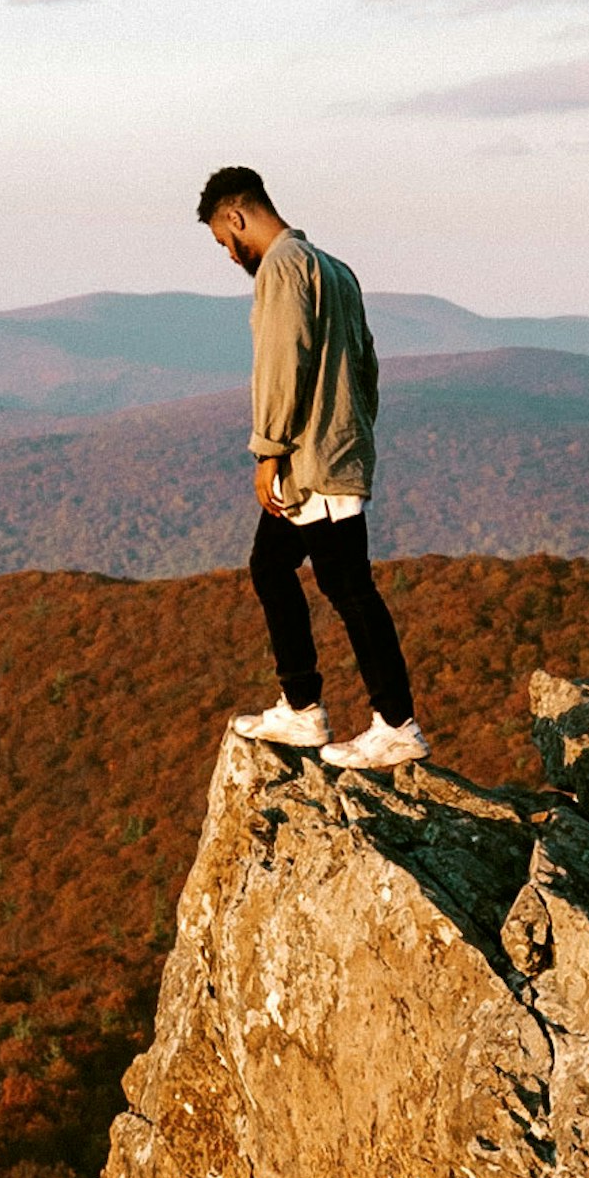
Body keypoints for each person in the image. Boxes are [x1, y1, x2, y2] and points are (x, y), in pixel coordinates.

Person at [198, 166, 427, 769]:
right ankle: (303, 706)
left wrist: (268, 448)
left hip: (312, 460)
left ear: (238, 216)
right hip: (334, 451)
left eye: (225, 241)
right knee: (273, 565)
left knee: (348, 588)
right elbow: (368, 364)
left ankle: (394, 723)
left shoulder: (281, 268)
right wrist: (354, 435)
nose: (229, 254)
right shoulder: (334, 267)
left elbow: (282, 358)